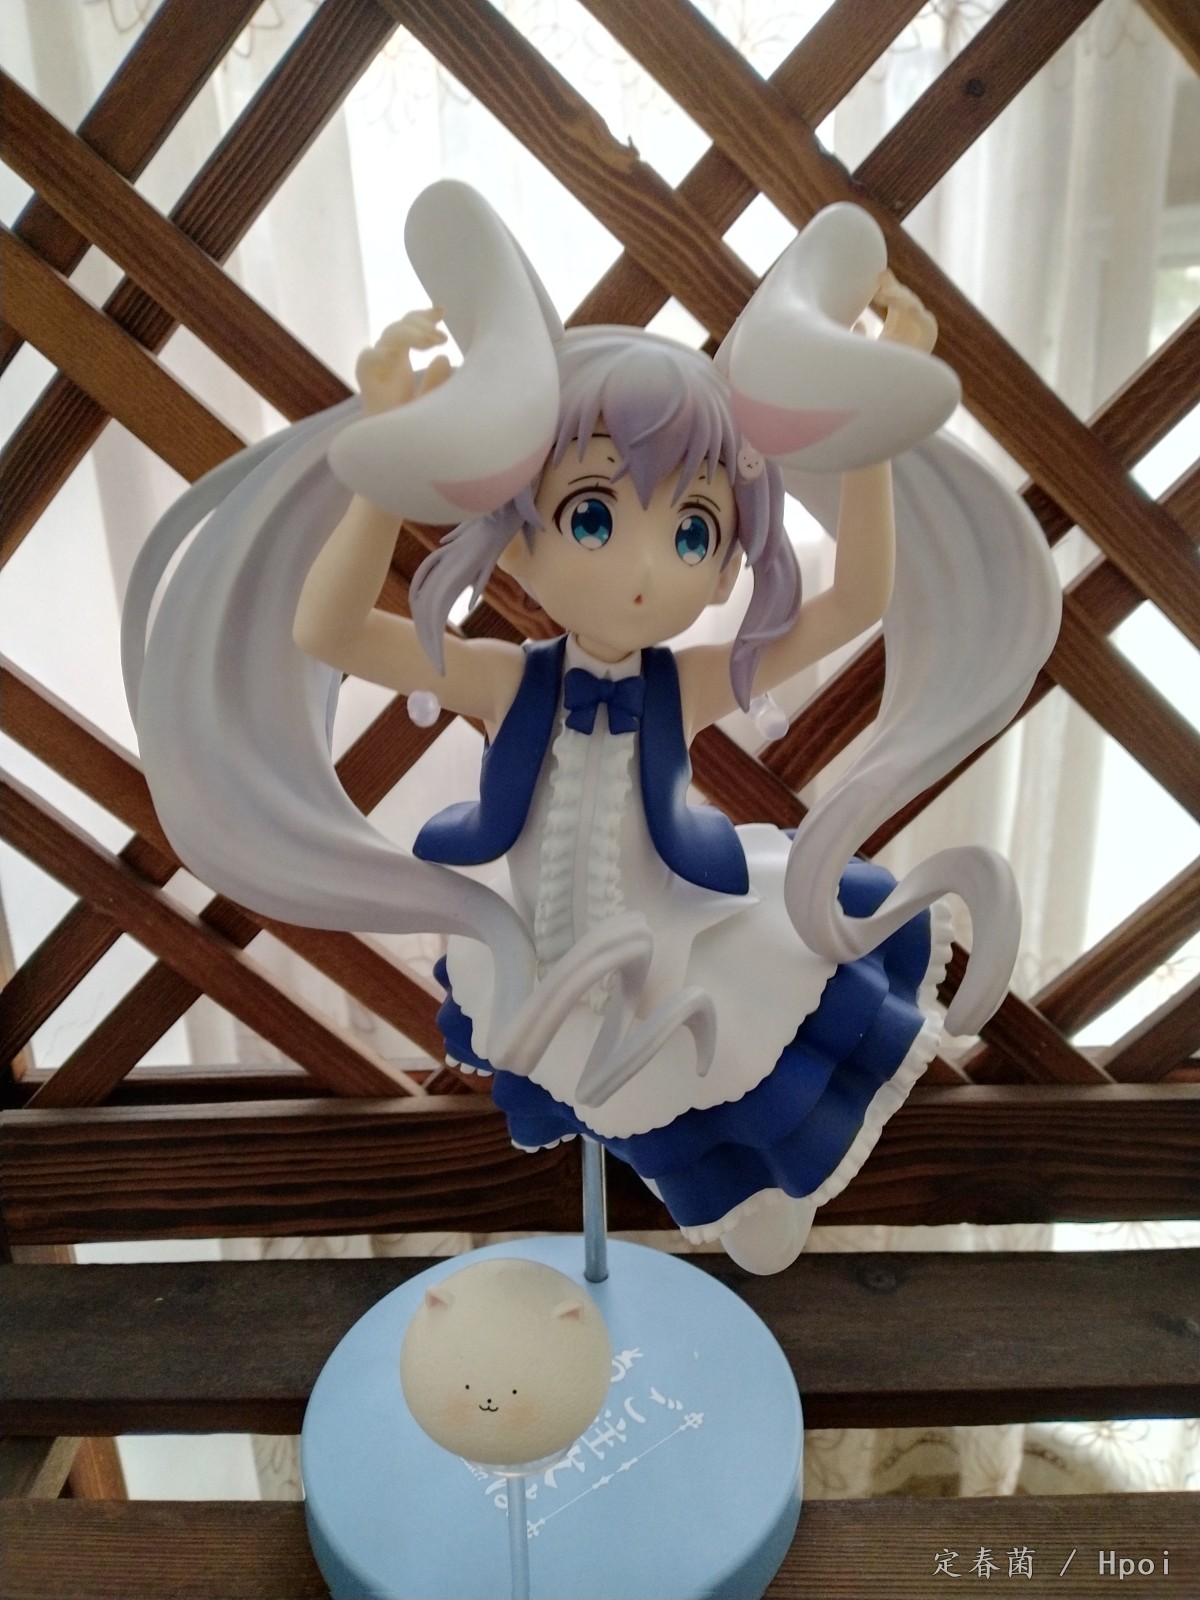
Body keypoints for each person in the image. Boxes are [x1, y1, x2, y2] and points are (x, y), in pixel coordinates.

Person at [124, 182, 1060, 1272]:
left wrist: (871, 440)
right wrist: (381, 464)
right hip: (532, 952)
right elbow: (328, 629)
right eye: (595, 515)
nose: (643, 568)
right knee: (607, 1079)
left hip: (675, 935)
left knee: (718, 1068)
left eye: (693, 530)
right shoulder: (502, 678)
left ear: (728, 562)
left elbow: (855, 600)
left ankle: (750, 1195)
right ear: (518, 533)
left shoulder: (689, 682)